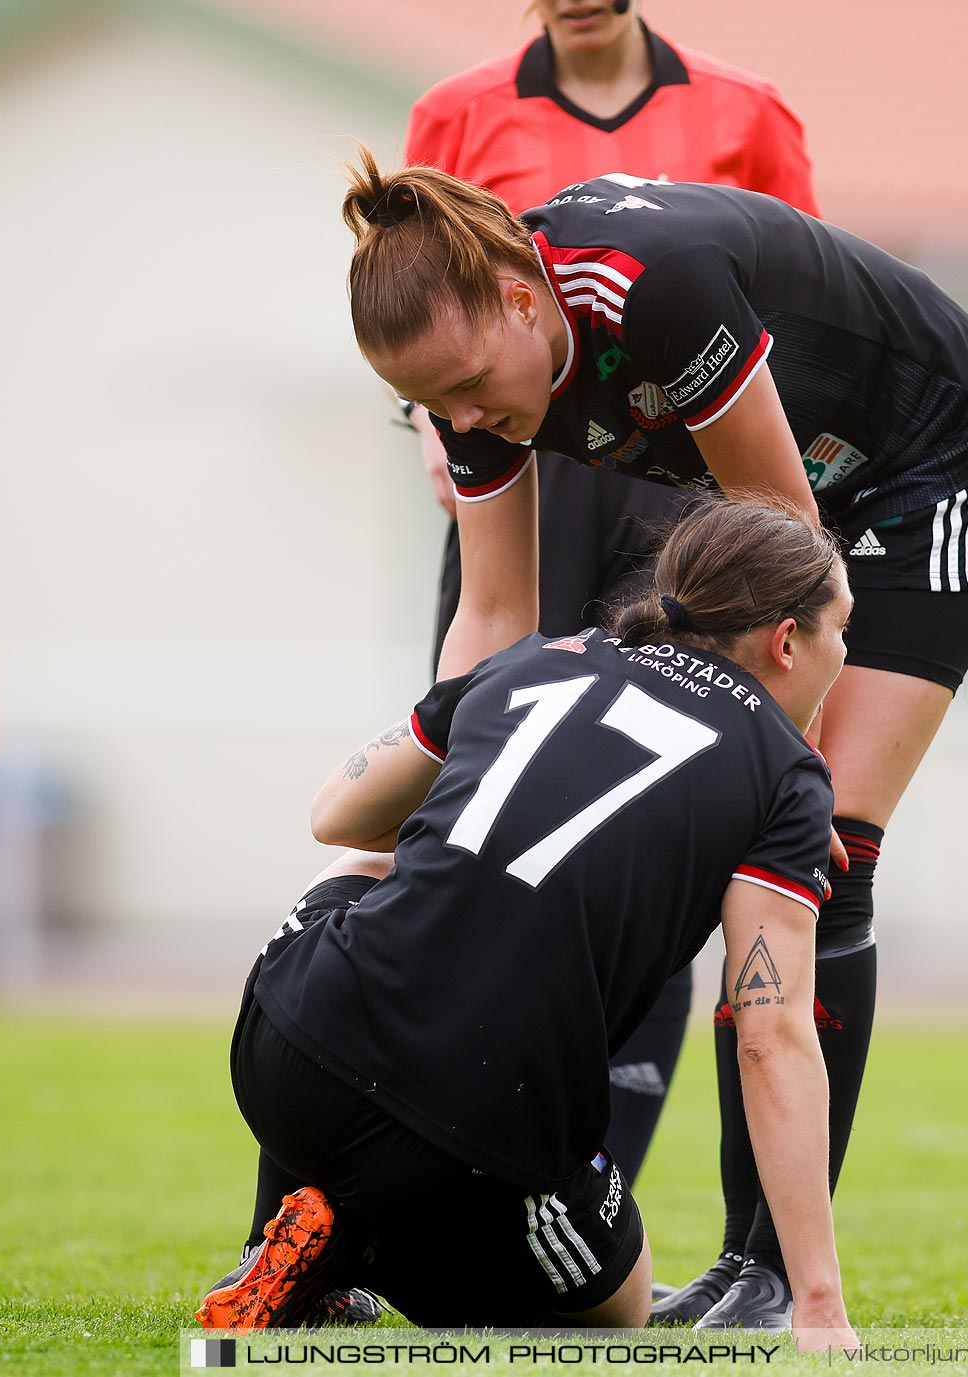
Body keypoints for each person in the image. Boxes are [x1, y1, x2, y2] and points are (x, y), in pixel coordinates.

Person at [339, 148, 968, 1325]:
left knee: (824, 858)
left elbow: (789, 566)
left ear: (523, 296)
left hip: (930, 469)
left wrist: (772, 799)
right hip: (802, 506)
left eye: (466, 387)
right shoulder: (479, 381)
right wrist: (449, 790)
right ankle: (740, 1270)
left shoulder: (642, 288)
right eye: (433, 408)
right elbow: (496, 613)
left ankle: (767, 1272)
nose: (462, 423)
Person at [196, 500, 858, 1345]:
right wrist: (819, 1303)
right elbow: (772, 1037)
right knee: (619, 1308)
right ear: (789, 639)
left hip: (280, 1058)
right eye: (843, 629)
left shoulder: (537, 658)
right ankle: (372, 1241)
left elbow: (337, 813)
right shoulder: (786, 773)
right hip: (472, 1146)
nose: (846, 655)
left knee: (363, 869)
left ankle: (294, 1230)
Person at [403, 0, 820, 1193]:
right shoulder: (459, 113)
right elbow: (421, 313)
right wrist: (433, 430)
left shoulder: (748, 112)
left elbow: (784, 314)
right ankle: (422, 1160)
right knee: (488, 814)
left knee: (653, 828)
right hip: (520, 496)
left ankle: (596, 1190)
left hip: (676, 516)